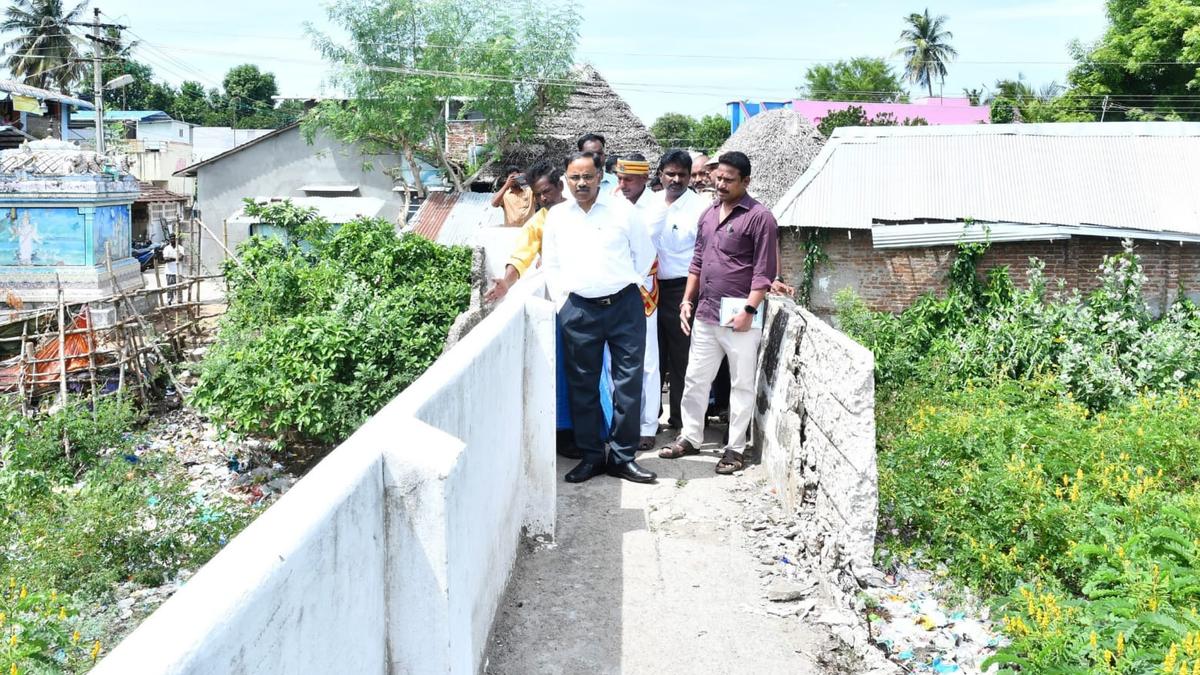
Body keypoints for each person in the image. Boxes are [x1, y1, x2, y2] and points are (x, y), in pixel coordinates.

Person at [660, 151, 777, 475]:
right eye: (718, 178)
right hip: (707, 312)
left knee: (740, 385)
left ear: (745, 182)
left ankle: (735, 448)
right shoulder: (708, 214)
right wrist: (687, 300)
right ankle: (690, 436)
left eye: (728, 180)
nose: (721, 184)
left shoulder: (759, 217)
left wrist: (750, 310)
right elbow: (697, 262)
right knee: (695, 378)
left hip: (741, 317)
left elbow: (764, 272)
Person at [543, 151, 657, 484]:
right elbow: (551, 262)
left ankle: (623, 457)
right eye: (574, 177)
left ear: (599, 177)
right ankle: (592, 456)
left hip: (624, 307)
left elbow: (645, 254)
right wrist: (563, 301)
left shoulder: (623, 211)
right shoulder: (558, 217)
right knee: (583, 386)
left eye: (588, 177)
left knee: (628, 384)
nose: (581, 183)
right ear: (566, 179)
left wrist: (622, 284)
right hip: (579, 310)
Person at [651, 149, 710, 430]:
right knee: (652, 357)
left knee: (683, 358)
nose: (675, 179)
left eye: (682, 175)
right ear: (660, 174)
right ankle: (649, 420)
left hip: (683, 291)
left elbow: (704, 256)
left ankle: (681, 421)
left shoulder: (700, 209)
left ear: (689, 177)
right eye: (670, 173)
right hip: (649, 290)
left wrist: (691, 296)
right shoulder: (648, 204)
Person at [611, 155, 661, 450]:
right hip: (614, 289)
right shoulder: (612, 201)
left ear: (644, 178)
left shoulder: (656, 207)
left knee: (649, 361)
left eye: (628, 179)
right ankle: (619, 422)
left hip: (643, 289)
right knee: (614, 362)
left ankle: (648, 425)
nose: (622, 185)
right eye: (619, 178)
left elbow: (642, 249)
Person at [162, 234, 179, 304]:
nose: (172, 239)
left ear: (176, 239)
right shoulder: (166, 248)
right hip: (169, 271)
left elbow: (181, 258)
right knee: (170, 287)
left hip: (178, 271)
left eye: (173, 238)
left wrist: (171, 258)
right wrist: (176, 258)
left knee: (178, 287)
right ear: (169, 239)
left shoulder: (180, 248)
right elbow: (165, 259)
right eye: (171, 238)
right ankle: (170, 300)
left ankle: (178, 300)